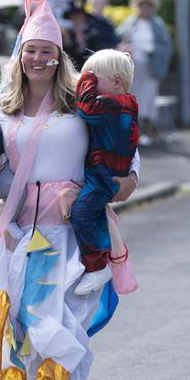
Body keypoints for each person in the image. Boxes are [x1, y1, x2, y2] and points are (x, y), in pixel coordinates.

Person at [0, 0, 139, 380]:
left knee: (62, 329)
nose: (38, 59)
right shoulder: (0, 112)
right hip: (16, 238)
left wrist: (101, 192)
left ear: (60, 57)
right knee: (26, 333)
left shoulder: (85, 104)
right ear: (19, 56)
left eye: (47, 51)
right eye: (30, 50)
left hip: (74, 239)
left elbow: (126, 169)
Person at [71, 50, 138, 296]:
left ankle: (97, 266)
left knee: (82, 213)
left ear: (117, 81)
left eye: (94, 80)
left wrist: (85, 78)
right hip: (105, 174)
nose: (88, 86)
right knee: (91, 215)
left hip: (103, 176)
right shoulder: (124, 105)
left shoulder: (114, 105)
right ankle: (98, 260)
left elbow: (87, 108)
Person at [117, 0, 173, 146]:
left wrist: (153, 50)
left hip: (150, 67)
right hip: (132, 67)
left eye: (148, 6)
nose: (145, 9)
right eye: (142, 6)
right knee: (133, 97)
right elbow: (119, 38)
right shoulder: (130, 22)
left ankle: (146, 131)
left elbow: (166, 46)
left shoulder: (157, 24)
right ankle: (133, 132)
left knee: (148, 99)